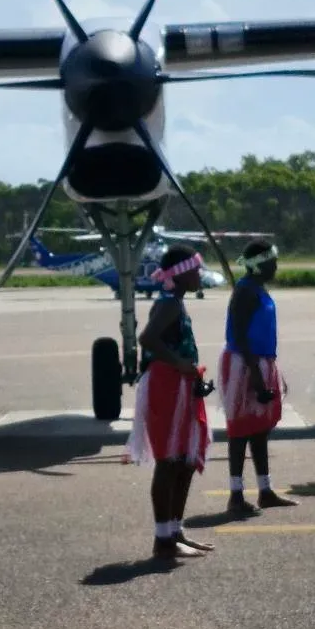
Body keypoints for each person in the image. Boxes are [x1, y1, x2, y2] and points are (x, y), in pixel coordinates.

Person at [126, 244, 211, 563]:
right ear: (181, 273)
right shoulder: (169, 305)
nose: (200, 275)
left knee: (183, 460)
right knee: (170, 459)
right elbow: (148, 338)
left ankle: (175, 531)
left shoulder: (174, 303)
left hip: (178, 383)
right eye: (195, 270)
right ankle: (163, 539)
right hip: (167, 383)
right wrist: (178, 363)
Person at [219, 239, 294, 516]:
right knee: (240, 431)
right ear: (259, 265)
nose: (276, 266)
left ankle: (265, 490)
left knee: (260, 430)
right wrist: (255, 377)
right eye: (271, 262)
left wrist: (271, 371)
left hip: (261, 361)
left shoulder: (257, 288)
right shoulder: (245, 292)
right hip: (244, 363)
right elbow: (239, 336)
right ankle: (236, 495)